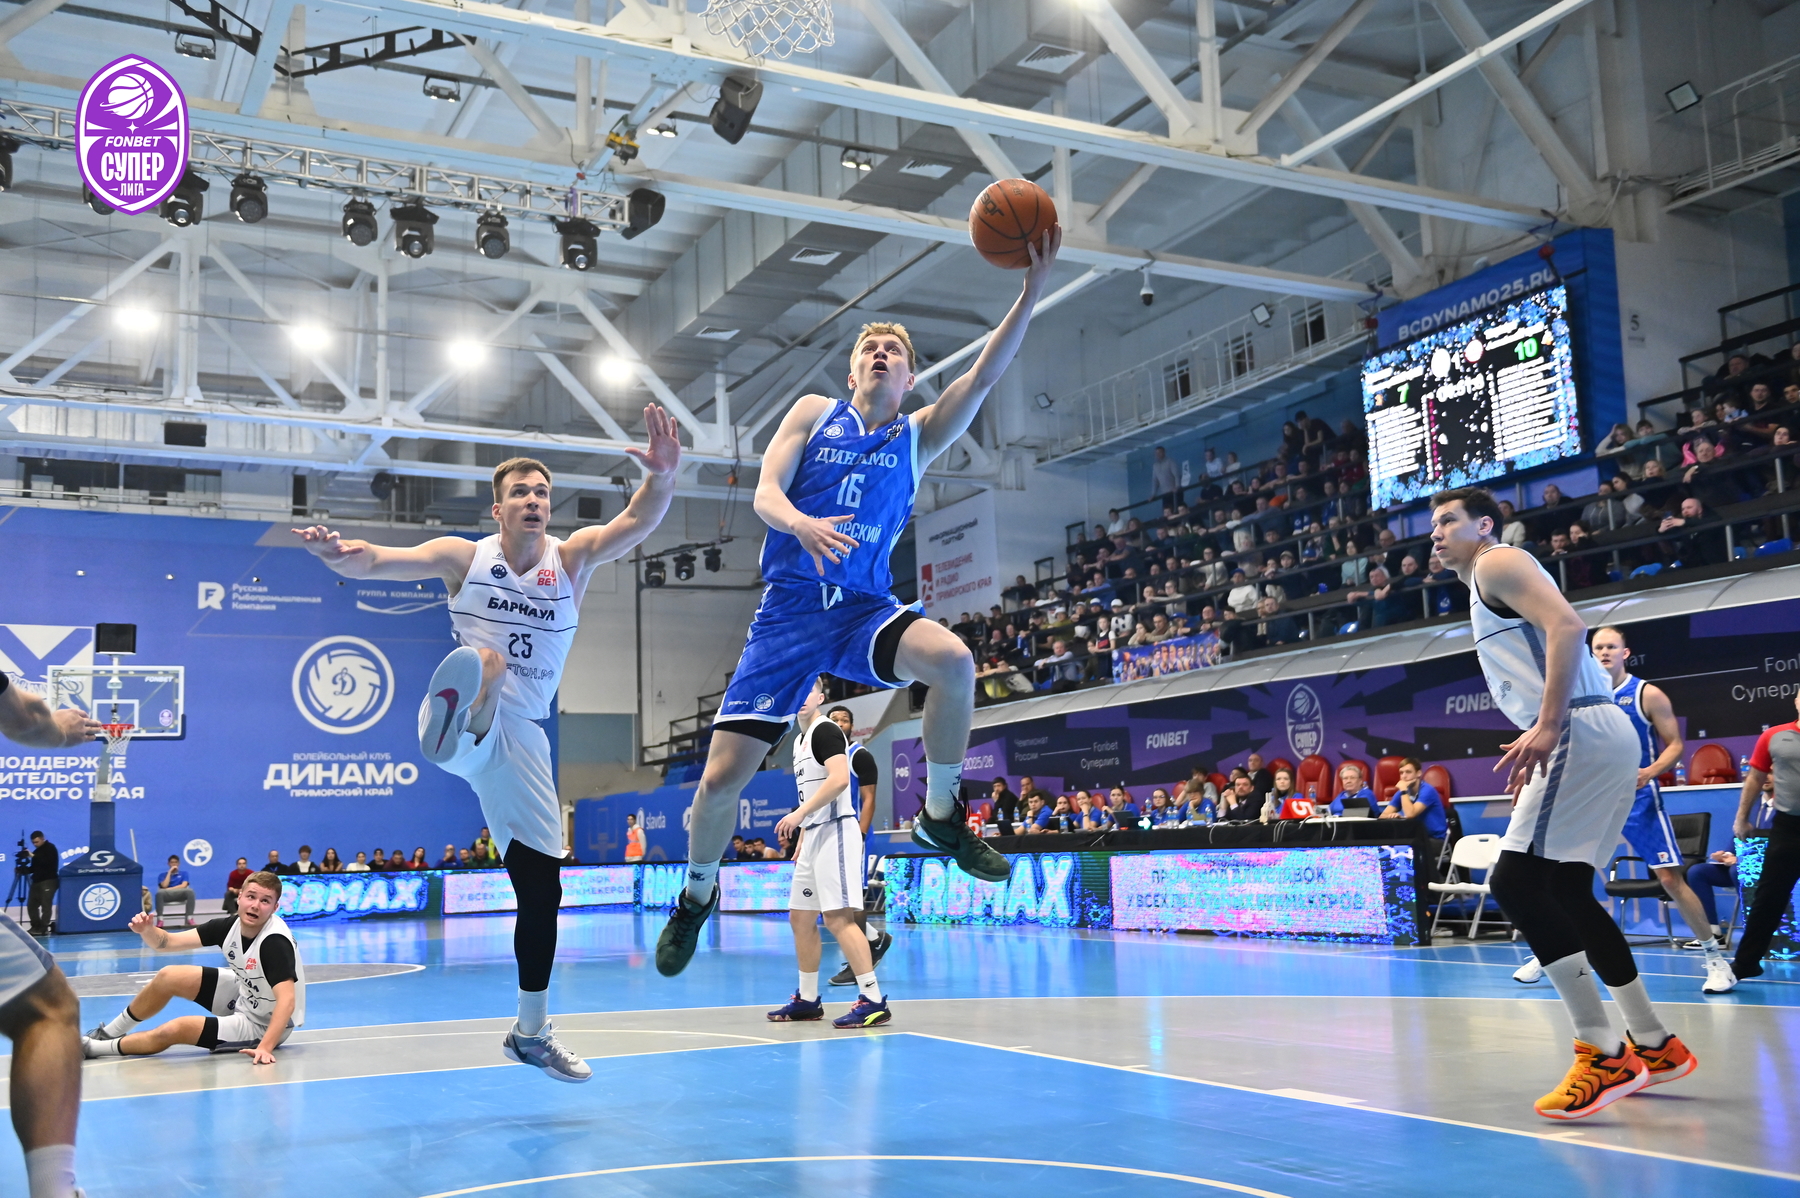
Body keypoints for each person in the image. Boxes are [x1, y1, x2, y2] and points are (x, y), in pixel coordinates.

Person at [656, 231, 1062, 978]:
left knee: (954, 663)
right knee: (717, 783)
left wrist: (1031, 290)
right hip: (789, 614)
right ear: (852, 373)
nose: (880, 353)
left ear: (907, 377)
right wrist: (799, 523)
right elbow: (765, 492)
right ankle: (696, 894)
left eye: (893, 351)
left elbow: (984, 374)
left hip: (862, 610)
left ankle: (941, 814)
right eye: (870, 347)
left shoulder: (917, 437)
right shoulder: (815, 413)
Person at [294, 413, 681, 1084]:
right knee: (487, 663)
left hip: (523, 738)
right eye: (520, 492)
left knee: (543, 891)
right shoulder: (464, 557)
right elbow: (379, 560)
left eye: (542, 492)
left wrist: (663, 474)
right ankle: (452, 725)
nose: (534, 500)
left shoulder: (572, 559)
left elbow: (637, 521)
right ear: (497, 509)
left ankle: (530, 1032)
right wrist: (337, 554)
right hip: (482, 704)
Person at [1430, 487, 1689, 1119]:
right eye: (1432, 524)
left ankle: (1603, 1053)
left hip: (1578, 726)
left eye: (1447, 520)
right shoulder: (1485, 580)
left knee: (1515, 883)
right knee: (1568, 890)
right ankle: (1654, 1042)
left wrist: (1547, 725)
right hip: (1599, 732)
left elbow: (1569, 627)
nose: (1435, 533)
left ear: (1484, 525)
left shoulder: (1495, 560)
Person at [1517, 627, 1729, 992]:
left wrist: (1650, 771)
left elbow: (1675, 745)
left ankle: (1716, 960)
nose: (1604, 652)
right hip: (1593, 797)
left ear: (1625, 652)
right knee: (1565, 880)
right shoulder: (1578, 696)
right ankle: (1553, 953)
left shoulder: (1647, 693)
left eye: (1611, 647)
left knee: (1670, 879)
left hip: (1638, 798)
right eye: (1598, 647)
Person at [0, 677, 91, 1198]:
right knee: (48, 1008)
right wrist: (59, 728)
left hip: (44, 886)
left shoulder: (47, 851)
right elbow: (24, 716)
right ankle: (55, 1190)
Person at [764, 681, 891, 1028]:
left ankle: (873, 1000)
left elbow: (839, 780)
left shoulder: (825, 730)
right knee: (800, 917)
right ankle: (808, 1000)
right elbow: (812, 792)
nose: (803, 696)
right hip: (814, 835)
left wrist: (799, 815)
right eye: (798, 690)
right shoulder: (799, 741)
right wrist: (804, 835)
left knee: (838, 919)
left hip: (836, 831)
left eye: (810, 691)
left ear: (820, 698)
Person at [82, 871, 304, 1068]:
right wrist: (147, 930)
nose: (255, 905)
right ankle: (106, 1033)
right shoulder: (229, 926)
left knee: (176, 1029)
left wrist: (265, 1047)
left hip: (263, 1024)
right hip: (245, 994)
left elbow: (287, 1001)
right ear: (239, 897)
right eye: (251, 897)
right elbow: (167, 943)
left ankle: (91, 1048)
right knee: (169, 976)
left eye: (265, 901)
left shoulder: (274, 943)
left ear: (275, 908)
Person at [1724, 691, 1800, 990]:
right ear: (1796, 701)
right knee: (1769, 897)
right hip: (1789, 827)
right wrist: (1741, 818)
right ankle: (1744, 964)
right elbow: (1755, 778)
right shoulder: (1773, 736)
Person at [825, 703, 892, 987]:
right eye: (834, 719)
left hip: (853, 835)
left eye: (845, 719)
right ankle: (875, 940)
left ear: (852, 726)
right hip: (829, 835)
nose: (840, 723)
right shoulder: (824, 759)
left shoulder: (858, 756)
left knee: (852, 901)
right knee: (835, 901)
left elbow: (869, 800)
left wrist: (860, 835)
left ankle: (859, 963)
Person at [1376, 758, 1448, 865]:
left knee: (1405, 849)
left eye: (1408, 772)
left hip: (1435, 840)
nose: (1404, 776)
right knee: (1388, 847)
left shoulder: (1427, 790)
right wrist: (1396, 817)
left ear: (1418, 773)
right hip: (1414, 838)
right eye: (1401, 773)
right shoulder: (1401, 793)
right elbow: (1382, 816)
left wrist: (1403, 790)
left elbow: (1410, 814)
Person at [26, 833, 58, 938]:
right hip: (36, 881)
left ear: (42, 839)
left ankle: (43, 928)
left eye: (37, 842)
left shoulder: (50, 848)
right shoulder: (36, 852)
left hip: (48, 881)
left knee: (46, 905)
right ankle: (36, 926)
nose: (35, 844)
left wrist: (33, 856)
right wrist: (23, 870)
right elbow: (35, 867)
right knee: (31, 905)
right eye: (33, 843)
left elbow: (47, 862)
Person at [153, 855, 195, 927]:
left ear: (179, 863)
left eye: (175, 862)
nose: (174, 864)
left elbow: (184, 885)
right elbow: (164, 886)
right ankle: (160, 919)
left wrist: (169, 889)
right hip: (167, 895)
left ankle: (189, 918)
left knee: (190, 892)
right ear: (168, 864)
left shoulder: (184, 873)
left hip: (180, 894)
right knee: (159, 893)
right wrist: (169, 872)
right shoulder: (162, 875)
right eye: (172, 862)